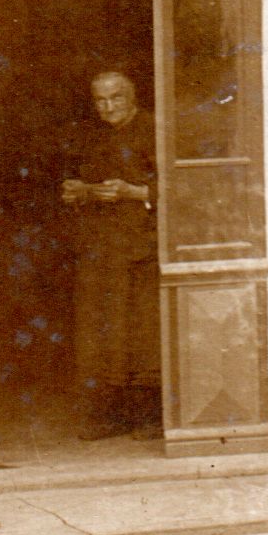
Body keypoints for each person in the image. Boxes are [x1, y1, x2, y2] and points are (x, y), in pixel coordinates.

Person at [59, 70, 161, 441]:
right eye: (100, 100)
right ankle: (110, 417)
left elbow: (180, 186)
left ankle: (151, 418)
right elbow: (80, 181)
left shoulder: (154, 128)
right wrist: (79, 191)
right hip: (101, 248)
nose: (108, 107)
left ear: (132, 97)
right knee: (104, 335)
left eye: (116, 98)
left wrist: (133, 192)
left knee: (142, 334)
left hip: (142, 247)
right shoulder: (91, 134)